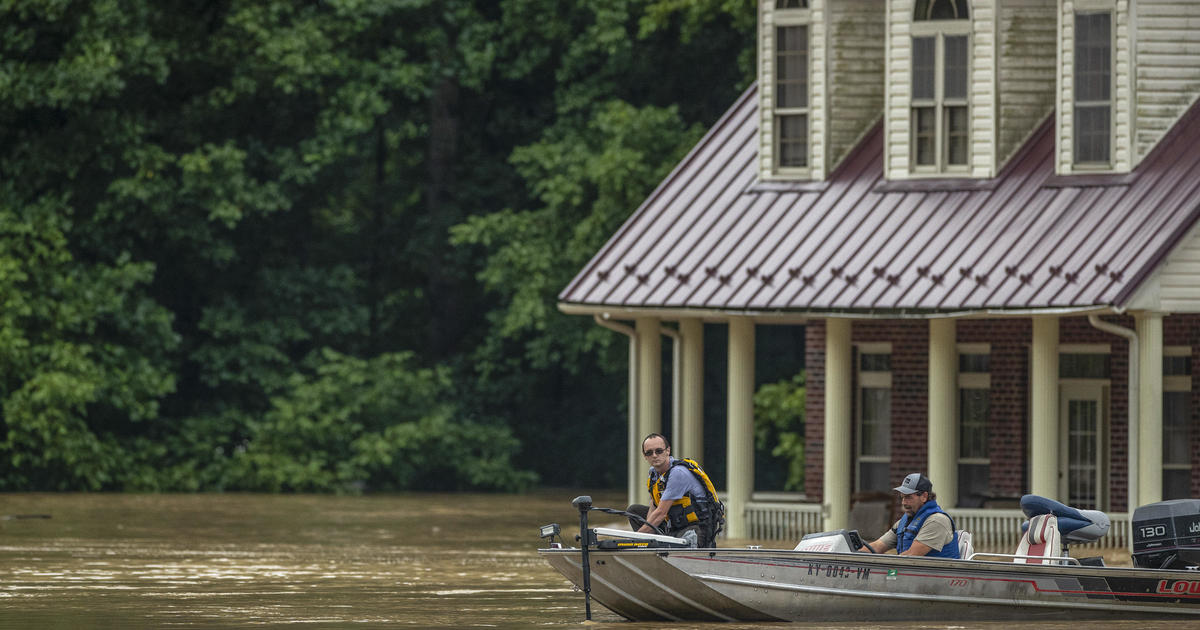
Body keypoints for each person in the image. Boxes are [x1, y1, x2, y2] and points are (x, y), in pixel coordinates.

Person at [626, 433, 724, 548]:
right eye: (649, 452)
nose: (654, 455)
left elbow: (661, 513)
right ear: (644, 456)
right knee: (633, 511)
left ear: (668, 451)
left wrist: (635, 539)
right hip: (673, 526)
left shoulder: (678, 473)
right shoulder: (653, 473)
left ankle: (653, 546)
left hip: (696, 528)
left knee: (649, 527)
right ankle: (649, 547)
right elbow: (654, 506)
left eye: (659, 451)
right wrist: (645, 534)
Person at [858, 472, 961, 558]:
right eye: (902, 497)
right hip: (915, 579)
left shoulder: (937, 521)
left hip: (939, 579)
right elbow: (877, 546)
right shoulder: (904, 522)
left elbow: (911, 557)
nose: (903, 502)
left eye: (908, 497)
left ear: (924, 496)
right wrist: (852, 554)